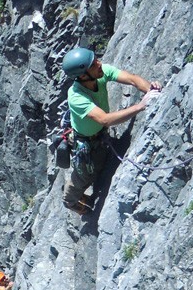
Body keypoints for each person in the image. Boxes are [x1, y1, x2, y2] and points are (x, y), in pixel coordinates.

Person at [60, 47, 162, 214]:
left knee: (98, 167)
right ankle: (70, 202)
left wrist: (151, 91)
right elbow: (104, 119)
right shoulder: (76, 96)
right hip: (86, 143)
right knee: (83, 177)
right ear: (83, 76)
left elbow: (132, 79)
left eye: (96, 60)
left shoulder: (100, 72)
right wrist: (141, 106)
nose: (99, 64)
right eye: (94, 64)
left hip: (99, 136)